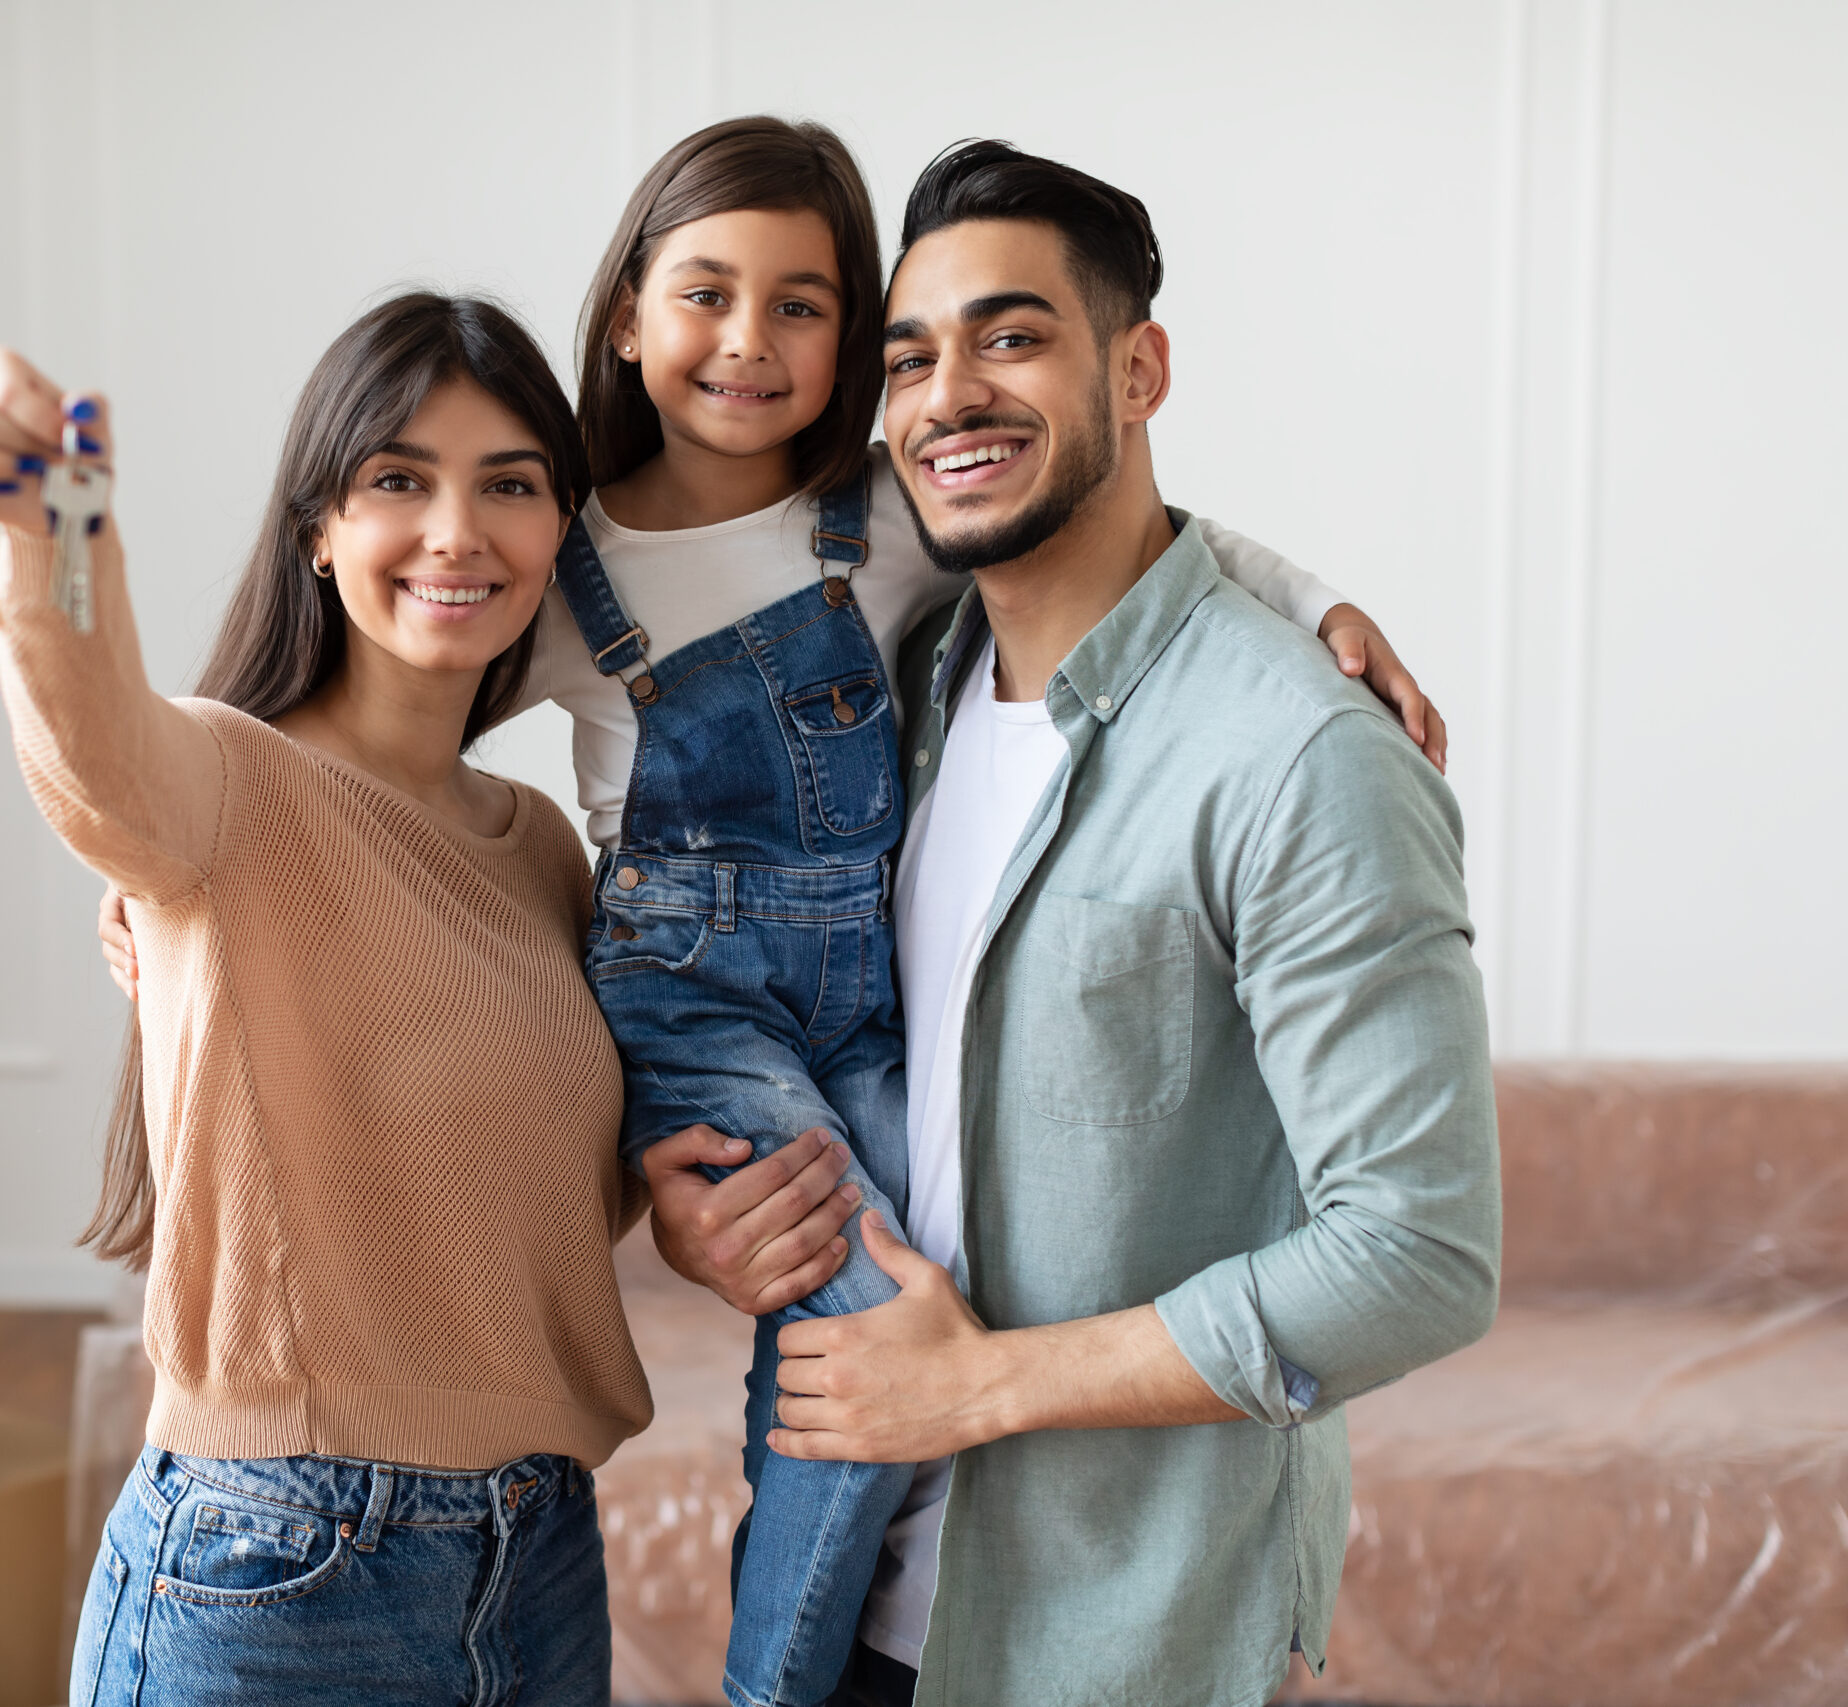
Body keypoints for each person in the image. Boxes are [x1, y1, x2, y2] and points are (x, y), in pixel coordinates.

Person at [99, 118, 1449, 1707]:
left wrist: (1318, 607)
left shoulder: (890, 509)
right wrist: (180, 902)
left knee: (931, 1260)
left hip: (853, 983)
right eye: (706, 295)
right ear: (625, 316)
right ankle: (774, 1686)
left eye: (804, 307)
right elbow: (365, 738)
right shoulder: (561, 547)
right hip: (692, 996)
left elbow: (1165, 540)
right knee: (868, 1311)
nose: (749, 343)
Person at [743, 141, 1503, 1707]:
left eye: (1012, 337)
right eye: (911, 358)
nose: (950, 393)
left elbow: (1422, 1253)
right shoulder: (902, 692)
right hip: (843, 1603)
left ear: (1138, 369)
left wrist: (982, 1390)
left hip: (1118, 1647)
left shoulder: (1302, 754)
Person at [0, 295, 650, 1705]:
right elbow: (92, 741)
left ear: (560, 531)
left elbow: (527, 1199)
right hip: (280, 1571)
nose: (457, 532)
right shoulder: (229, 785)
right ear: (318, 530)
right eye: (398, 482)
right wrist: (53, 526)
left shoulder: (542, 846)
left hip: (539, 1561)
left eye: (510, 485)